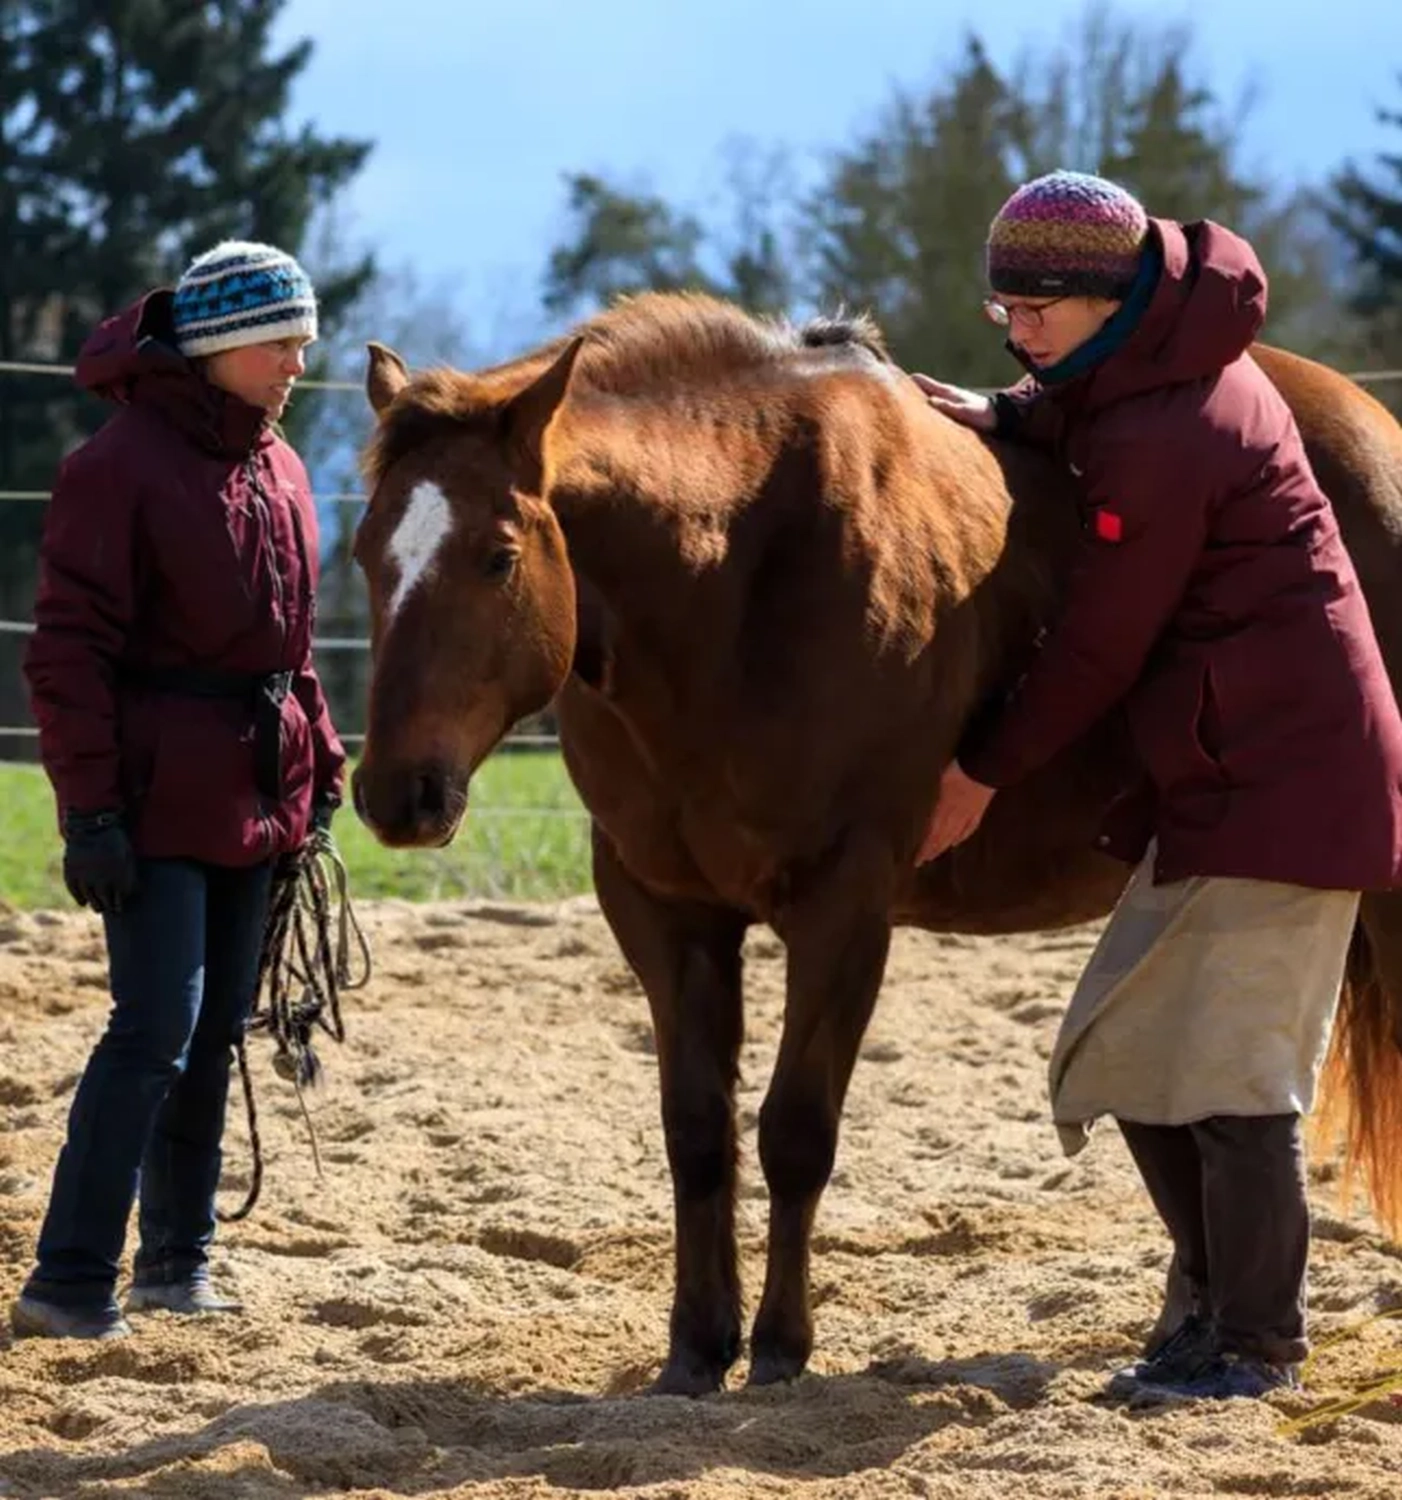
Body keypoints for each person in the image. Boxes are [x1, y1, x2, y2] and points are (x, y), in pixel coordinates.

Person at [911, 170, 1402, 1400]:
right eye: (1002, 309)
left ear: (1111, 299)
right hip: (1222, 764)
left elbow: (1097, 648)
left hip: (1286, 770)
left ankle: (1253, 1345)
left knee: (1233, 1079)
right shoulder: (1145, 370)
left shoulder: (1163, 429)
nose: (1019, 333)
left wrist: (978, 773)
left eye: (1038, 311)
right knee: (1122, 1051)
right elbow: (1073, 405)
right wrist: (1003, 410)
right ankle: (1209, 1309)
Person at [11, 241, 346, 1340]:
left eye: (302, 336)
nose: (300, 358)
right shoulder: (115, 468)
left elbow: (292, 647)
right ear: (216, 346)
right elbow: (67, 654)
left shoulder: (282, 465)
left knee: (215, 1037)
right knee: (155, 1024)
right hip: (154, 794)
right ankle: (67, 1282)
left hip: (257, 790)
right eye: (280, 339)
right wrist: (92, 813)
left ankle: (175, 1264)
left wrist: (322, 762)